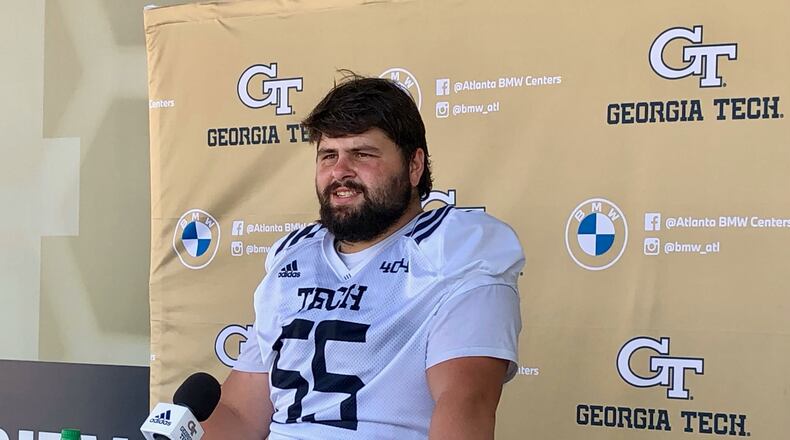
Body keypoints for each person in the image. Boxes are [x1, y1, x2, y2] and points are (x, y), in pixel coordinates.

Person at [202, 74, 525, 440]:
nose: (340, 171)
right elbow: (239, 413)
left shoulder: (456, 251)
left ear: (414, 166)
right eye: (329, 156)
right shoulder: (292, 259)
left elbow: (467, 404)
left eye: (362, 154)